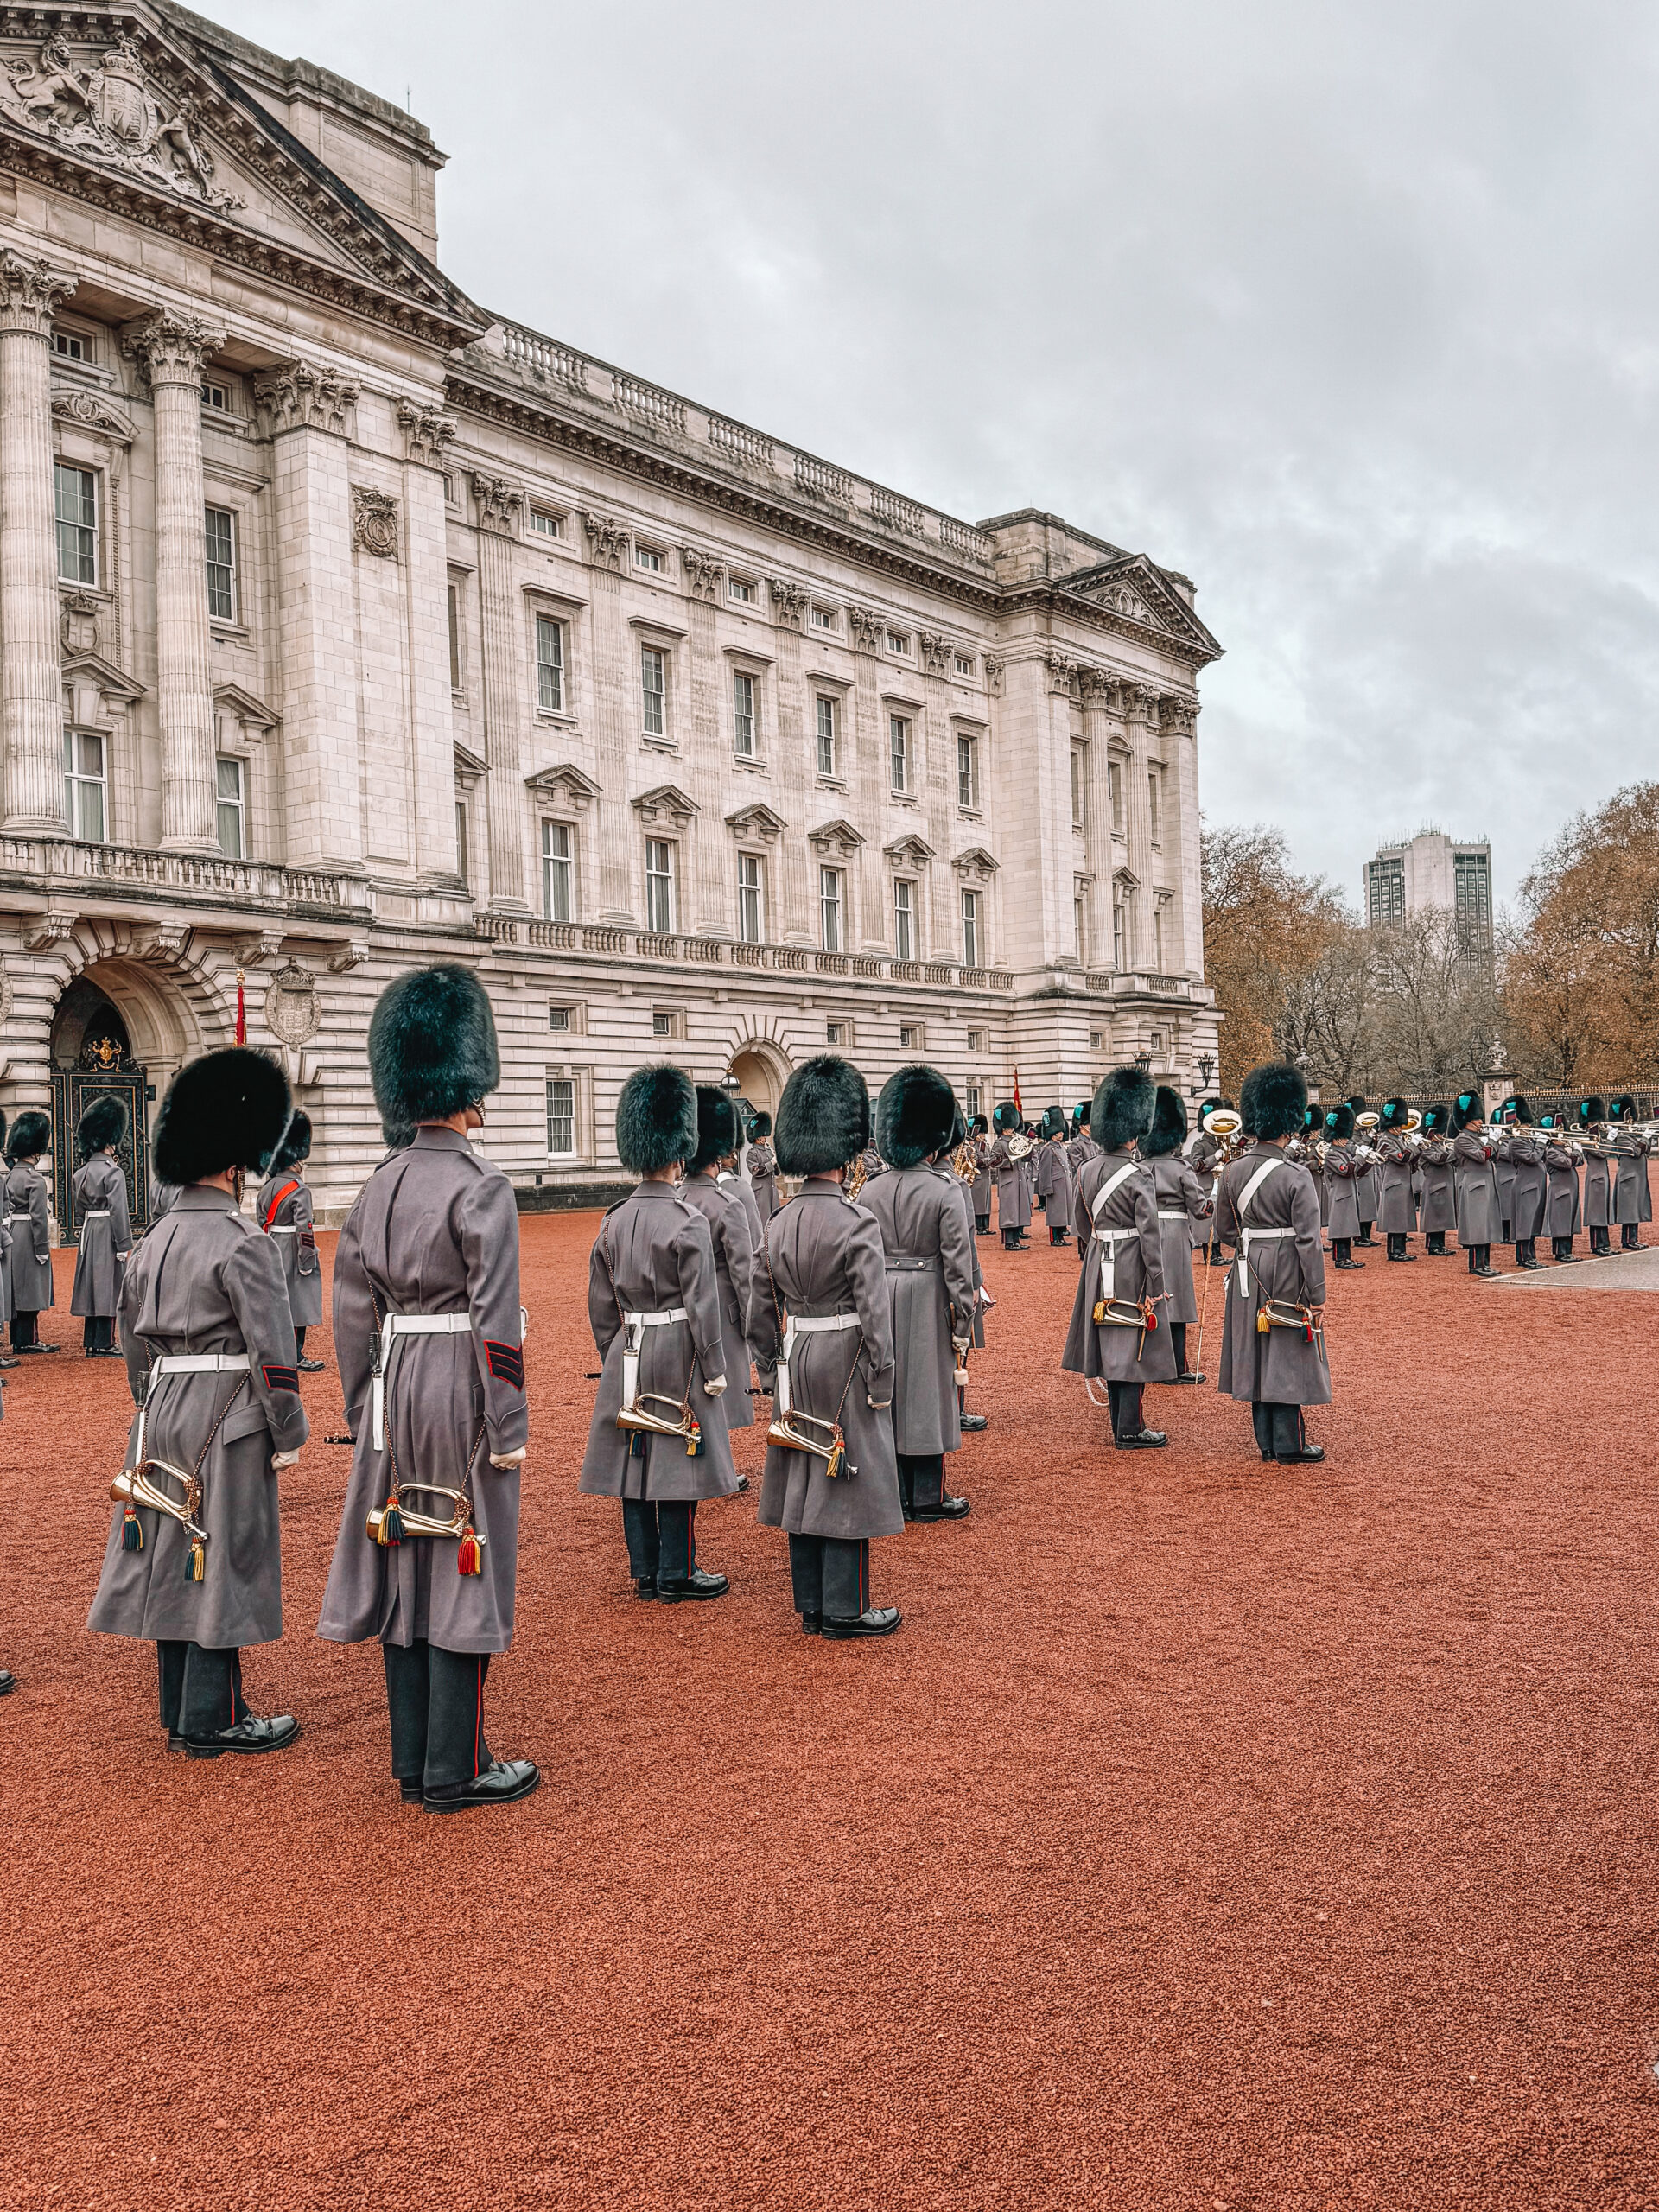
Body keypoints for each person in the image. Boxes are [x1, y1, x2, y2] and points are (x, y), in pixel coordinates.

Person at [318, 966, 537, 1814]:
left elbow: (349, 1316)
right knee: (464, 1558)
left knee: (406, 1553)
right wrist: (507, 1417)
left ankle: (414, 1759)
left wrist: (361, 1409)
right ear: (467, 1084)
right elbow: (497, 1320)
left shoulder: (376, 1185)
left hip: (389, 1387)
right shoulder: (482, 1186)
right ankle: (458, 1765)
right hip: (457, 1381)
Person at [86, 1048, 306, 1758]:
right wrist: (289, 1428)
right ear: (237, 1161)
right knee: (224, 1553)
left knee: (175, 1551)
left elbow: (130, 1341)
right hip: (228, 1411)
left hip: (160, 1410)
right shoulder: (242, 1242)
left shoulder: (154, 1240)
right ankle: (217, 1717)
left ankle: (180, 1711)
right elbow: (274, 1350)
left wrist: (150, 1403)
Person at [753, 1054, 904, 1639]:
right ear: (845, 1154)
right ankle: (848, 1608)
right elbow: (876, 1311)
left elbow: (757, 1304)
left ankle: (811, 1604)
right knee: (849, 1474)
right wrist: (883, 1376)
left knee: (802, 1466)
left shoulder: (776, 1223)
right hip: (845, 1358)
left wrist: (768, 1363)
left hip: (796, 1355)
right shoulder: (856, 1221)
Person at [579, 1065, 739, 1605]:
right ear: (679, 1153)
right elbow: (702, 1303)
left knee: (634, 1458)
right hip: (677, 1345)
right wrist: (715, 1367)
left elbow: (601, 1304)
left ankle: (644, 1571)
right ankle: (678, 1571)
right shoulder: (688, 1219)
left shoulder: (613, 1219)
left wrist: (615, 1355)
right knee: (679, 1456)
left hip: (628, 1345)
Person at [860, 1065, 977, 1522]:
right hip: (928, 1295)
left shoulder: (869, 1191)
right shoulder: (945, 1191)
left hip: (880, 1294)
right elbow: (958, 1264)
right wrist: (963, 1318)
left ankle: (894, 1492)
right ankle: (927, 1496)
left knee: (889, 1388)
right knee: (929, 1393)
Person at [1213, 1062, 1330, 1465]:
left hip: (1246, 1266)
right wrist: (1317, 1293)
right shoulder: (1296, 1175)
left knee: (1255, 1348)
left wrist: (1252, 1244)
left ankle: (1266, 1442)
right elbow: (1309, 1240)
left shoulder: (1231, 1172)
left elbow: (1224, 1230)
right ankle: (1289, 1444)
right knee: (1286, 1348)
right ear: (1289, 1123)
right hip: (1286, 1267)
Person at [1063, 1066, 1173, 1449]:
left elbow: (1079, 1222)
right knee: (1131, 1336)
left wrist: (1099, 1246)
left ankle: (1121, 1421)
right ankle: (1130, 1428)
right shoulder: (1138, 1173)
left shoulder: (1085, 1169)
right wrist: (1156, 1283)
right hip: (1129, 1260)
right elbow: (1150, 1234)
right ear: (1133, 1129)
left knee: (1109, 1334)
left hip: (1098, 1256)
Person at [679, 1086, 768, 1446]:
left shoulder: (675, 1199)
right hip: (721, 1311)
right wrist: (756, 1328)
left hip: (681, 1313)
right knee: (717, 1392)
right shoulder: (727, 1204)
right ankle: (719, 1468)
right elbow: (745, 1275)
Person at [1139, 1085, 1212, 1384]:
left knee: (1151, 1296)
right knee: (1177, 1302)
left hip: (1145, 1234)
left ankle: (1150, 1362)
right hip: (1176, 1235)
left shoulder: (1139, 1167)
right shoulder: (1182, 1169)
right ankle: (1177, 1368)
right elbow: (1200, 1210)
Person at [257, 1109, 325, 1371]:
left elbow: (263, 1221)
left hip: (271, 1245)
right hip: (293, 1250)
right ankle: (296, 1355)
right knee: (299, 1304)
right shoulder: (299, 1190)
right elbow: (304, 1229)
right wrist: (306, 1260)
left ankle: (279, 1352)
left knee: (276, 1303)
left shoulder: (267, 1187)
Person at [4, 1111, 58, 1354]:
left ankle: (20, 1339)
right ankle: (28, 1341)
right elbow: (39, 1219)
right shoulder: (35, 1180)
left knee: (17, 1289)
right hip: (28, 1236)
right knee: (31, 1290)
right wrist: (42, 1249)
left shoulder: (9, 1177)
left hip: (12, 1232)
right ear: (36, 1151)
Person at [1451, 1090, 1500, 1276]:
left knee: (1485, 1226)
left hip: (1485, 1185)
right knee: (1477, 1228)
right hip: (1474, 1186)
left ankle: (1485, 1263)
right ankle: (1475, 1265)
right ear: (1468, 1121)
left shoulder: (1478, 1139)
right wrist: (1493, 1142)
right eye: (1477, 1119)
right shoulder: (1462, 1139)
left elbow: (1494, 1156)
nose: (1481, 1122)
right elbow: (1481, 1157)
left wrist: (1496, 1142)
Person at [1321, 1103, 1371, 1270]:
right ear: (1336, 1137)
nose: (1346, 1140)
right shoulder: (1332, 1154)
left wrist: (1368, 1161)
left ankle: (1347, 1257)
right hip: (1340, 1196)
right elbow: (1345, 1170)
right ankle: (1340, 1259)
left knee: (1348, 1228)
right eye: (1343, 1137)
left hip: (1348, 1194)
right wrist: (1360, 1157)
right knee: (1340, 1230)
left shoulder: (1344, 1152)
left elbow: (1356, 1171)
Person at [1188, 1098, 1235, 1268]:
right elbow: (1196, 1165)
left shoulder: (1223, 1141)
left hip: (1221, 1185)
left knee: (1218, 1221)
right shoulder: (1199, 1144)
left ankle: (1217, 1252)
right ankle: (1210, 1255)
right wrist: (1214, 1158)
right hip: (1207, 1187)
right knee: (1208, 1223)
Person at [1503, 1098, 1547, 1270]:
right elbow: (1532, 1158)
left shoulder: (1529, 1141)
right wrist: (1541, 1144)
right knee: (1524, 1223)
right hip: (1525, 1185)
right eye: (1527, 1126)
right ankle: (1523, 1257)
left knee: (1533, 1222)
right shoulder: (1516, 1142)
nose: (1529, 1129)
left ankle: (1531, 1255)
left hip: (1535, 1185)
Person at [1375, 1097, 1417, 1262]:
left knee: (1402, 1219)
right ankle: (1394, 1252)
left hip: (1402, 1183)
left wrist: (1417, 1149)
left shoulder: (1397, 1139)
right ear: (1391, 1125)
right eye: (1398, 1125)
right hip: (1394, 1184)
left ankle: (1401, 1250)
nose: (1401, 1128)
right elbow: (1401, 1158)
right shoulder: (1385, 1140)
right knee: (1395, 1220)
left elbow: (1409, 1159)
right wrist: (1413, 1146)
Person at [988, 1101, 1032, 1250]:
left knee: (1018, 1210)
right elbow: (992, 1162)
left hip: (1019, 1180)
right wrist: (1009, 1161)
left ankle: (1016, 1240)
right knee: (1009, 1212)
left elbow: (1026, 1158)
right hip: (1008, 1181)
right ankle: (1009, 1242)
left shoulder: (1017, 1140)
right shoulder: (1000, 1143)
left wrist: (1029, 1150)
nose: (1011, 1130)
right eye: (1008, 1127)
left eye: (1012, 1127)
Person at [1539, 1113, 1583, 1262]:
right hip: (1559, 1191)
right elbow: (1567, 1163)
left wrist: (1575, 1153)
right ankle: (1560, 1252)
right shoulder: (1551, 1152)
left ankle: (1568, 1251)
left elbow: (1579, 1161)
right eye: (1559, 1130)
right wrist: (1576, 1151)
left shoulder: (1564, 1149)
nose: (1563, 1134)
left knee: (1569, 1221)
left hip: (1570, 1190)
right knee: (1560, 1223)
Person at [1608, 1096, 1649, 1250]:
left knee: (1635, 1209)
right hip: (1628, 1177)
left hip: (1637, 1177)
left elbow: (1647, 1149)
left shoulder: (1631, 1133)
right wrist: (1645, 1138)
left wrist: (1644, 1139)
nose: (1631, 1120)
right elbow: (1637, 1151)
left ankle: (1633, 1238)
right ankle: (1627, 1240)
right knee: (1629, 1211)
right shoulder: (1621, 1136)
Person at [1416, 1103, 1457, 1255]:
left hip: (1442, 1185)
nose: (1442, 1135)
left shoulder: (1440, 1145)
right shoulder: (1425, 1146)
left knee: (1441, 1217)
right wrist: (1455, 1150)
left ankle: (1440, 1244)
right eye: (1439, 1133)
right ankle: (1433, 1246)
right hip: (1434, 1185)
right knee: (1434, 1218)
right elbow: (1439, 1159)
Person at [1579, 1096, 1614, 1256]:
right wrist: (1611, 1139)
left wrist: (1606, 1136)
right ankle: (1596, 1245)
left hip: (1602, 1176)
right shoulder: (1587, 1137)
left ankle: (1604, 1243)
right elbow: (1601, 1152)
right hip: (1595, 1177)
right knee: (1596, 1214)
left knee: (1603, 1212)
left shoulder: (1596, 1136)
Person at [1347, 1096, 1378, 1248]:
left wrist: (1375, 1139)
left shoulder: (1363, 1132)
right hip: (1359, 1172)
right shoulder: (1348, 1135)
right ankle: (1359, 1237)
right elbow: (1354, 1149)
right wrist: (1367, 1138)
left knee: (1369, 1206)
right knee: (1361, 1206)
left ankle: (1367, 1235)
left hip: (1370, 1171)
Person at [747, 1111, 779, 1224]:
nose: (765, 1138)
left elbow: (776, 1173)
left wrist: (776, 1160)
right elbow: (756, 1171)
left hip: (772, 1191)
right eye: (762, 1136)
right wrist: (771, 1163)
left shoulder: (768, 1151)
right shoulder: (752, 1153)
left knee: (775, 1220)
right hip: (761, 1192)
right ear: (757, 1137)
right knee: (762, 1221)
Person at [969, 1113, 994, 1235]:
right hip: (978, 1178)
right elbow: (974, 1161)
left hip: (986, 1178)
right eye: (981, 1133)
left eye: (983, 1133)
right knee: (979, 1204)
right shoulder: (972, 1146)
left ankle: (985, 1226)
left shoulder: (986, 1145)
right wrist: (988, 1161)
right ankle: (979, 1227)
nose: (983, 1136)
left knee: (986, 1204)